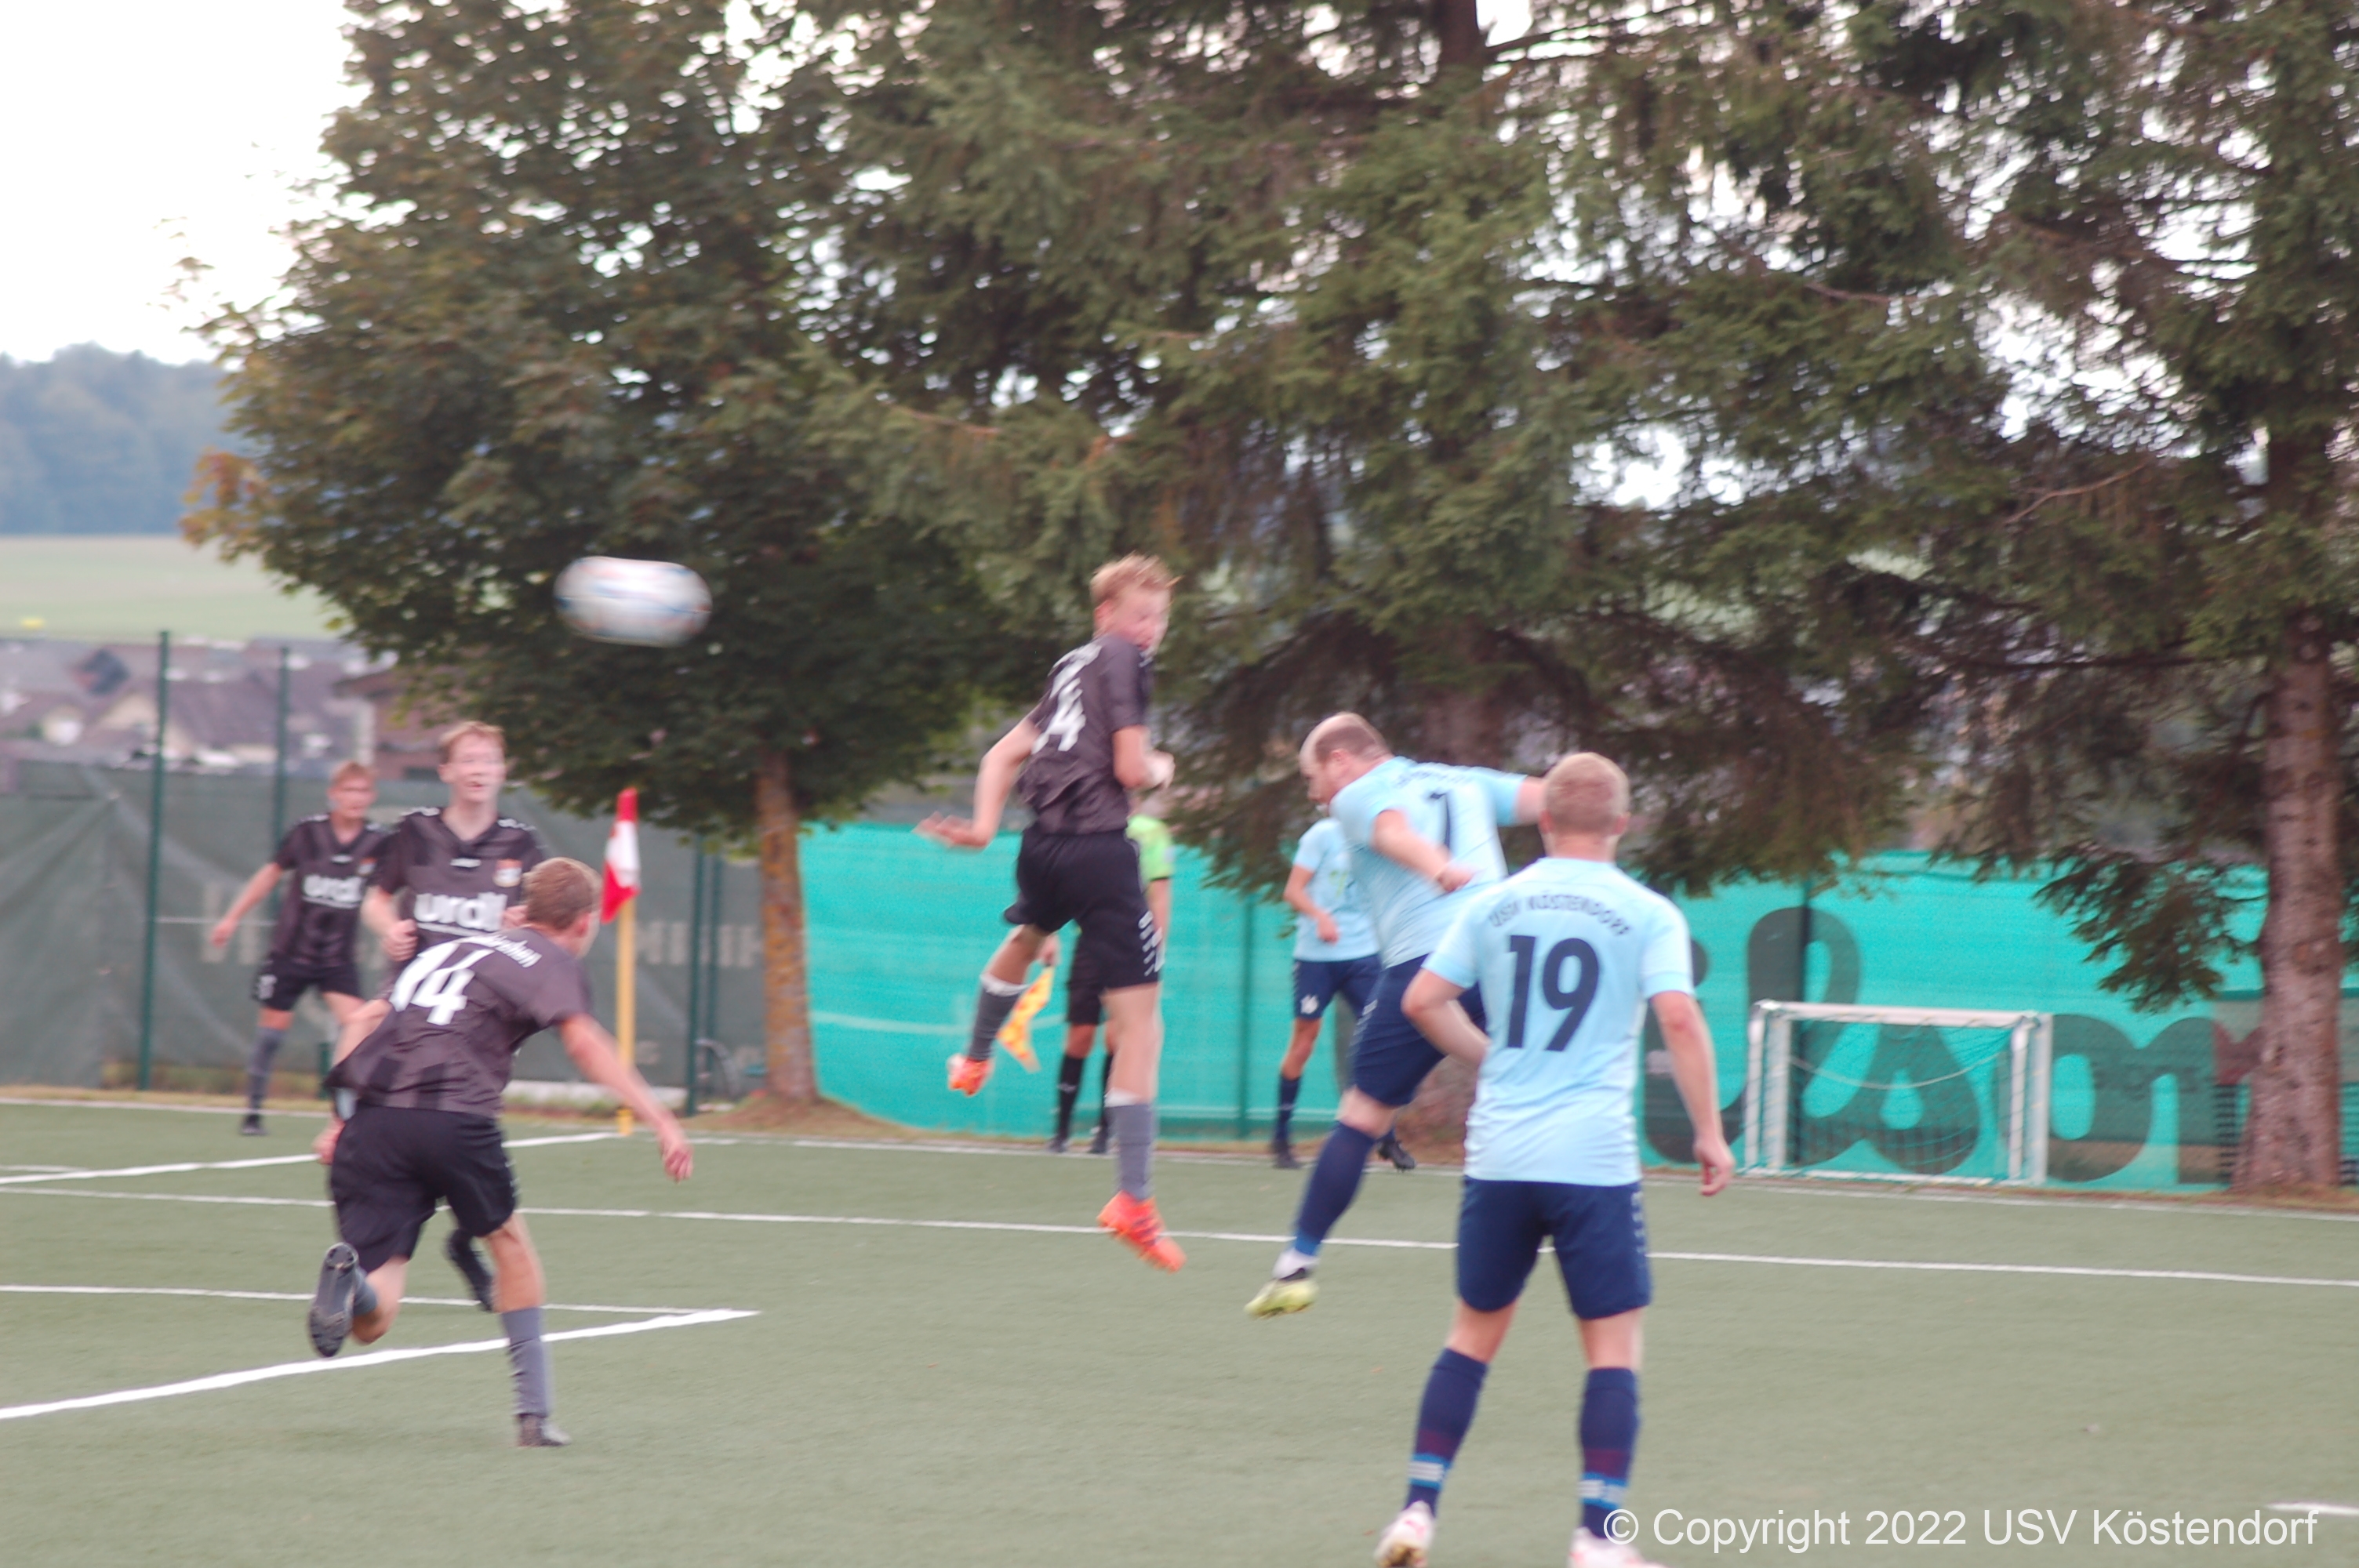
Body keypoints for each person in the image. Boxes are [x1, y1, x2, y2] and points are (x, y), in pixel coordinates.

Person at [1369, 753, 1732, 1568]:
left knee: (1469, 1337)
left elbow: (1422, 1000)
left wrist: (1490, 1055)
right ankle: (1596, 1536)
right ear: (1621, 824)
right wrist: (1708, 1131)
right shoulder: (1646, 912)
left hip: (1499, 1154)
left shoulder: (1492, 902)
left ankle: (1417, 1513)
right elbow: (1676, 1018)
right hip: (1591, 1160)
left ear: (1543, 820)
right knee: (1611, 1348)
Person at [305, 858, 692, 1448]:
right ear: (584, 923)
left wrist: (339, 1118)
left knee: (374, 1319)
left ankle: (348, 1280)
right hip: (455, 1116)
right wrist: (659, 1116)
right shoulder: (549, 958)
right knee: (511, 1247)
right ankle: (534, 1416)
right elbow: (584, 1042)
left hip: (376, 1122)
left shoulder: (444, 951)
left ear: (525, 911)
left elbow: (363, 1017)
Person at [919, 555, 1184, 1270]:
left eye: (1159, 618)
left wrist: (980, 829)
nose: (1149, 630)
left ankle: (974, 1057)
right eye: (1138, 615)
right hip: (1100, 854)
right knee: (1141, 1027)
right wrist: (1161, 767)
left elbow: (1004, 754)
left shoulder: (1070, 666)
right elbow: (1132, 770)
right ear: (1107, 617)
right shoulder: (1123, 661)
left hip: (1041, 847)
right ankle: (1134, 1198)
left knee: (1029, 932)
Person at [1247, 714, 1543, 1319]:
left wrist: (1438, 866)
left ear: (1340, 761)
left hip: (1429, 959)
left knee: (1360, 1117)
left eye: (1312, 778)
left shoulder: (1358, 795)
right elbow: (1550, 798)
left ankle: (1297, 1264)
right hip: (1507, 950)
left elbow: (1392, 831)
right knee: (1527, 1084)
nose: (1314, 794)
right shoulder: (1461, 780)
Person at [208, 762, 390, 1135]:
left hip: (337, 958)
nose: (356, 799)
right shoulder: (307, 833)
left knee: (361, 1031)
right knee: (272, 1032)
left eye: (363, 792)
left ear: (371, 797)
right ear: (334, 794)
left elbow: (387, 893)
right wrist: (232, 917)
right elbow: (270, 874)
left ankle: (352, 1114)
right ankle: (254, 1112)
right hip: (291, 952)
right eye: (349, 791)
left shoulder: (378, 842)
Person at [362, 720, 546, 967]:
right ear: (445, 771)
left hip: (486, 993)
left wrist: (526, 925)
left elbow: (546, 922)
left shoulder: (521, 842)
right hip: (417, 987)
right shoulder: (415, 829)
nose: (479, 770)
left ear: (502, 772)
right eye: (469, 760)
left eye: (490, 761)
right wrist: (391, 930)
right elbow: (376, 901)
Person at [1051, 797, 1175, 1156]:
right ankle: (1060, 1132)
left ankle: (1104, 1132)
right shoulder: (1086, 827)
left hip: (1130, 945)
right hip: (1089, 941)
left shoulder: (1151, 833)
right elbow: (1060, 885)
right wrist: (1044, 935)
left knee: (1118, 1038)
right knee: (1080, 1036)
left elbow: (1160, 894)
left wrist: (1157, 945)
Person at [1273, 808, 1385, 1170]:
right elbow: (1293, 890)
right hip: (1316, 957)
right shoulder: (1322, 834)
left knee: (1381, 1037)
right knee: (1304, 1042)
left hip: (1363, 955)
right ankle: (1281, 1138)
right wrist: (1321, 916)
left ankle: (1386, 1137)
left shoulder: (1381, 833)